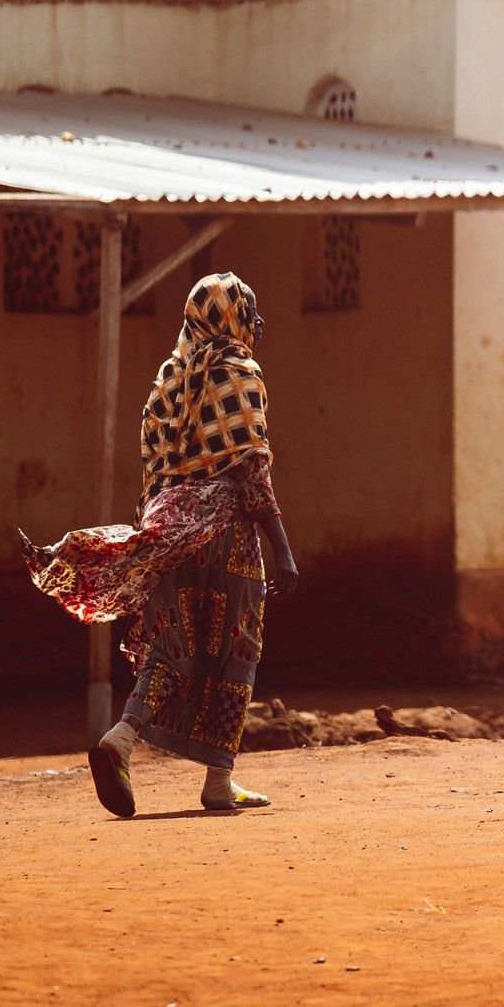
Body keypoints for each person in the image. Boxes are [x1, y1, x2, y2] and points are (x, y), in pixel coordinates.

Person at [21, 272, 298, 817]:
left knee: (170, 648)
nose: (257, 323)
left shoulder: (170, 377)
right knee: (234, 652)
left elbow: (156, 472)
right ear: (231, 317)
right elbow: (250, 468)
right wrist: (283, 548)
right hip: (228, 538)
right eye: (251, 311)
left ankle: (121, 738)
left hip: (170, 533)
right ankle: (219, 781)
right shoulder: (238, 369)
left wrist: (158, 537)